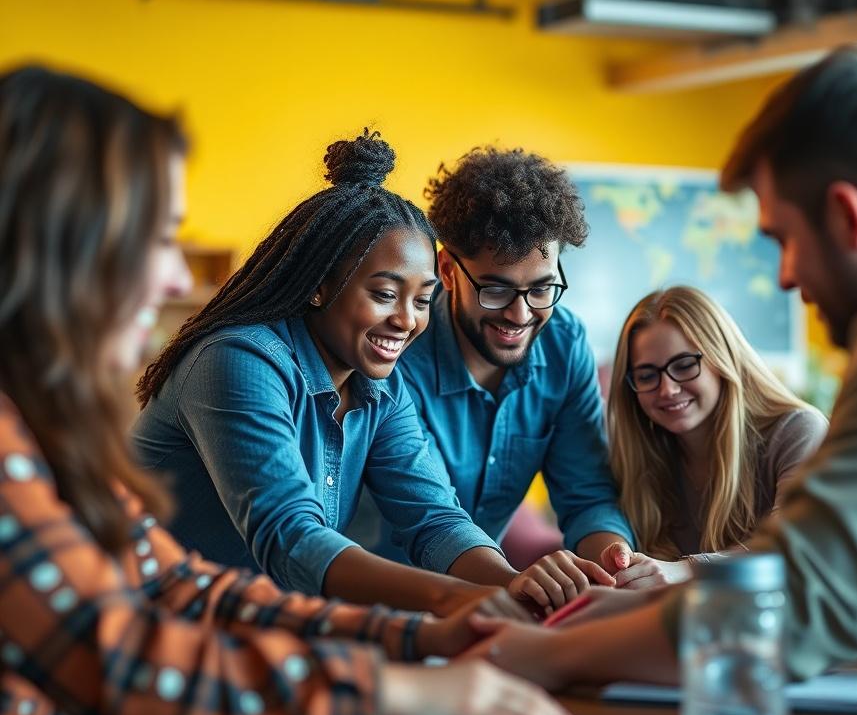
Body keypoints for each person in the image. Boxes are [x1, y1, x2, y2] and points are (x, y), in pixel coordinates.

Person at [0, 65, 589, 715]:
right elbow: (130, 658)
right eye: (159, 238)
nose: (174, 277)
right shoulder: (236, 361)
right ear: (63, 243)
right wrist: (400, 683)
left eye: (423, 297)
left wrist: (445, 624)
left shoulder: (46, 428)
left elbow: (188, 587)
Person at [460, 46, 857, 687]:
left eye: (784, 239)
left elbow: (805, 600)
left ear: (848, 217)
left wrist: (533, 657)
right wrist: (630, 606)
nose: (786, 277)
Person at [132, 131, 556, 617]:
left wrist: (515, 585)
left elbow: (434, 519)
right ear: (319, 286)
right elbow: (292, 537)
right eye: (383, 294)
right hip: (148, 635)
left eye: (422, 300)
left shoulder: (379, 388)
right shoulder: (238, 362)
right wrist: (468, 600)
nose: (407, 320)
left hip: (254, 636)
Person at [354, 146, 636, 613]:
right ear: (447, 270)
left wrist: (614, 564)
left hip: (487, 603)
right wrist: (515, 583)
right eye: (496, 288)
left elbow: (586, 492)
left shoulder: (564, 345)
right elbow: (433, 518)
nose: (520, 314)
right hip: (374, 606)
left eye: (542, 288)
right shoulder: (395, 353)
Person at [599, 286, 827, 590]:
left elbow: (797, 552)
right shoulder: (639, 456)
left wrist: (685, 570)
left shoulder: (798, 431)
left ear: (723, 359)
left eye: (684, 366)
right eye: (647, 375)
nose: (667, 389)